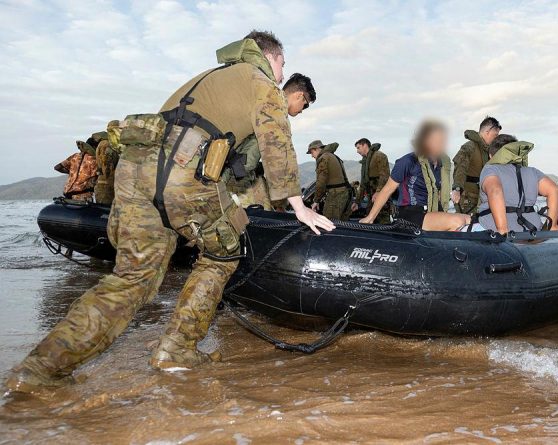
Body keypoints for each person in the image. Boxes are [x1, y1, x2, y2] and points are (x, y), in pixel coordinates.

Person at [4, 31, 334, 394]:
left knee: (132, 277)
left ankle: (39, 370)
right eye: (282, 64)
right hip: (184, 172)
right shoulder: (261, 82)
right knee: (223, 254)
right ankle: (177, 349)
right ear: (270, 57)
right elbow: (276, 142)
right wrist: (298, 205)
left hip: (136, 173)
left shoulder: (208, 78)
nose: (283, 73)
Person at [226, 73, 316, 209]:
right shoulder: (274, 108)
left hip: (238, 173)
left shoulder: (264, 99)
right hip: (235, 178)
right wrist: (299, 207)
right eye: (305, 104)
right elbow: (279, 157)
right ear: (299, 95)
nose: (302, 110)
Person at [360, 120, 470, 231]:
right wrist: (370, 217)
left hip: (432, 212)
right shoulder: (408, 161)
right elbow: (387, 190)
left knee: (469, 219)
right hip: (411, 213)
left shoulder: (441, 164)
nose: (440, 143)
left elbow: (438, 193)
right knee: (458, 221)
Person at [476, 134, 558, 234]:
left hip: (495, 229)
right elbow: (554, 190)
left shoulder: (490, 169)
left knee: (458, 221)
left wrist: (502, 229)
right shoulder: (532, 171)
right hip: (532, 229)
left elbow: (495, 191)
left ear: (491, 155)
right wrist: (553, 225)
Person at [452, 116, 501, 215]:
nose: (496, 139)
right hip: (468, 199)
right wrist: (457, 189)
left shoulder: (490, 151)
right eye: (495, 136)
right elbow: (460, 168)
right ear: (487, 132)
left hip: (483, 198)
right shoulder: (469, 147)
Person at [308, 140, 352, 220]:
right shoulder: (332, 156)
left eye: (311, 152)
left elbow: (321, 182)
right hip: (344, 193)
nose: (312, 156)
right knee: (341, 224)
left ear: (317, 149)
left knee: (329, 222)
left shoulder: (323, 158)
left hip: (336, 195)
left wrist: (316, 201)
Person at [352, 138, 391, 223]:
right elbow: (363, 184)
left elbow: (384, 176)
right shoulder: (365, 162)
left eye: (358, 148)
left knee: (383, 220)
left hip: (381, 196)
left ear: (365, 145)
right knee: (370, 220)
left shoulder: (379, 156)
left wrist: (378, 192)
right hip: (371, 197)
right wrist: (357, 202)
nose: (357, 151)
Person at [55, 137, 99, 201]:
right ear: (95, 147)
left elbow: (57, 167)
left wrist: (73, 172)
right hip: (82, 196)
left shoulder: (75, 156)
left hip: (67, 194)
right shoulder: (95, 160)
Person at [94, 125, 119, 205]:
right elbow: (107, 166)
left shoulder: (103, 144)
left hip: (104, 184)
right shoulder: (107, 144)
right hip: (106, 185)